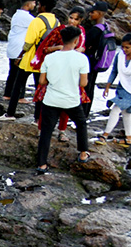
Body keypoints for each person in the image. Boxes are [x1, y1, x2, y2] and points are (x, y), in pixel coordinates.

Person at [36, 26, 91, 174]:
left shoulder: (49, 58)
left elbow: (42, 81)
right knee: (81, 123)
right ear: (76, 40)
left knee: (46, 132)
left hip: (51, 99)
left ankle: (41, 164)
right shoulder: (81, 58)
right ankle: (83, 153)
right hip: (71, 100)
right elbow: (83, 83)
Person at [4, 0, 59, 119]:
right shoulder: (56, 22)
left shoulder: (37, 21)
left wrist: (20, 55)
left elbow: (28, 42)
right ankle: (37, 118)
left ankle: (10, 113)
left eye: (39, 4)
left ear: (43, 6)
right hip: (45, 60)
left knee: (18, 85)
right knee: (39, 88)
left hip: (30, 58)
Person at [82, 1, 115, 115]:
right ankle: (86, 112)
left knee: (85, 87)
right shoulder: (106, 26)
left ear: (100, 13)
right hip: (97, 61)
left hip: (89, 61)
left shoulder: (95, 29)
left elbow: (85, 45)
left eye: (93, 12)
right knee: (90, 87)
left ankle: (83, 113)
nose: (90, 14)